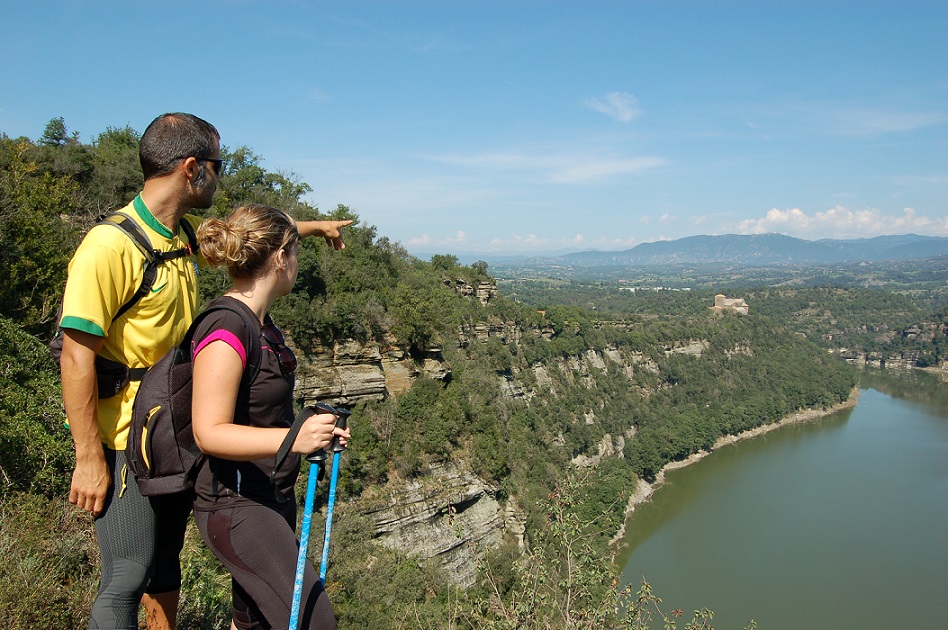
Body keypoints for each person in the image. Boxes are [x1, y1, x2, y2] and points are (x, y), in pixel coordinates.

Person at [58, 112, 351, 630]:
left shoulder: (175, 236)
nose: (221, 173)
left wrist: (311, 227)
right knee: (127, 575)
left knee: (164, 567)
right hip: (128, 436)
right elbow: (76, 354)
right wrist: (89, 458)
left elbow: (247, 242)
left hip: (177, 434)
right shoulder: (110, 247)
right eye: (219, 163)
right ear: (192, 168)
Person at [190, 204, 349, 629]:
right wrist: (293, 440)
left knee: (255, 622)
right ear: (281, 258)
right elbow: (208, 431)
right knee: (316, 622)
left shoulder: (259, 323)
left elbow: (260, 415)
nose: (298, 263)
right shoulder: (227, 327)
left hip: (268, 496)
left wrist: (310, 431)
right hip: (237, 505)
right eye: (296, 252)